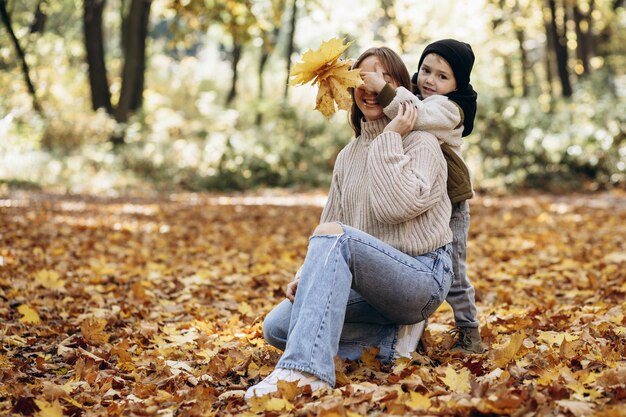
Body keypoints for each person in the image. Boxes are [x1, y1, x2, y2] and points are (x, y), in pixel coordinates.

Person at [245, 46, 455, 399]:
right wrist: (305, 275)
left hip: (420, 278)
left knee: (333, 248)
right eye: (362, 77)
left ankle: (305, 372)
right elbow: (331, 223)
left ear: (400, 89)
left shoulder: (423, 142)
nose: (371, 87)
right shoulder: (348, 155)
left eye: (385, 79)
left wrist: (390, 139)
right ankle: (389, 343)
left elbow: (397, 207)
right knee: (278, 327)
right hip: (367, 282)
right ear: (349, 87)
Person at [360, 39, 486, 354]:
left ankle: (469, 331)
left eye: (442, 76)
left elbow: (414, 115)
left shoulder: (449, 108)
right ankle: (414, 333)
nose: (430, 80)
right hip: (421, 195)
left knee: (453, 272)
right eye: (426, 70)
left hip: (450, 204)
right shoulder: (418, 96)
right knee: (413, 261)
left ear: (457, 84)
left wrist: (380, 85)